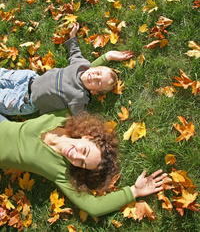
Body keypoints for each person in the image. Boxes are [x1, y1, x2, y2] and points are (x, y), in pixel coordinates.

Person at [0, 110, 167, 217]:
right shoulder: (63, 117)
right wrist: (106, 58)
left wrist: (134, 191)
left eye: (82, 164)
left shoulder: (61, 172)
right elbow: (79, 77)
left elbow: (93, 207)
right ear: (87, 138)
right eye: (85, 151)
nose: (76, 157)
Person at [0, 23, 134, 117]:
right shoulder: (81, 65)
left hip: (23, 101)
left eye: (98, 82)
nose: (94, 77)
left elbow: (81, 118)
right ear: (93, 68)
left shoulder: (79, 96)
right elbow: (74, 52)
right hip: (27, 78)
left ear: (93, 91)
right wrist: (72, 36)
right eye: (97, 73)